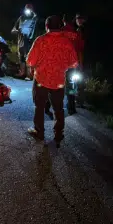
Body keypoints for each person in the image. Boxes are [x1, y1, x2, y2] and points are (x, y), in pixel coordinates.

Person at [26, 15, 79, 146]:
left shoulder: (40, 40)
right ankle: (58, 134)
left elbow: (30, 60)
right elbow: (74, 63)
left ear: (47, 26)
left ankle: (39, 132)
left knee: (39, 107)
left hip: (41, 80)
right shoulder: (67, 42)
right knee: (58, 108)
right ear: (60, 26)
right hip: (59, 81)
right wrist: (62, 65)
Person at [11, 4, 38, 79]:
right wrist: (18, 31)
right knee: (22, 57)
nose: (28, 11)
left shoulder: (34, 19)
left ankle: (30, 74)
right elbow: (13, 30)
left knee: (30, 57)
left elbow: (36, 18)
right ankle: (22, 73)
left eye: (30, 9)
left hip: (31, 41)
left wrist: (33, 13)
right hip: (21, 41)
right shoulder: (21, 18)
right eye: (27, 9)